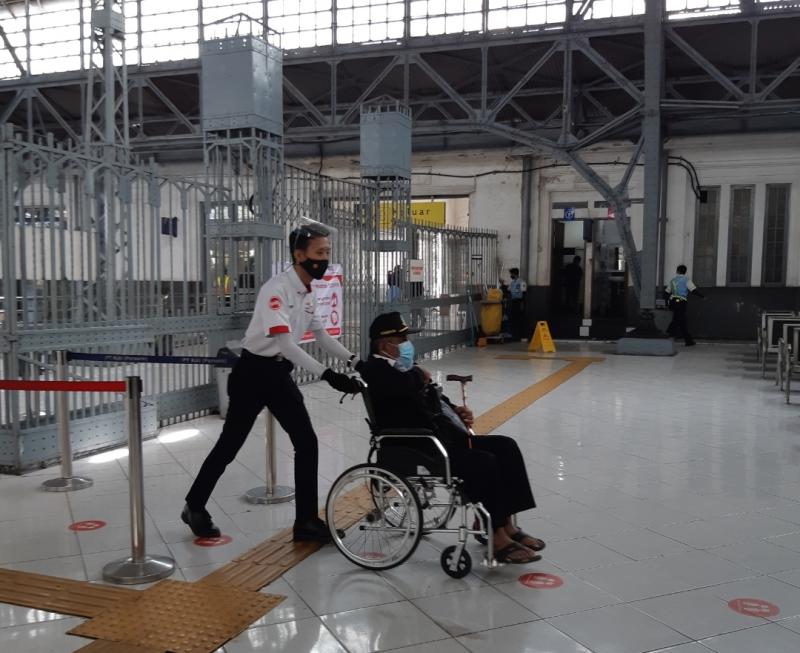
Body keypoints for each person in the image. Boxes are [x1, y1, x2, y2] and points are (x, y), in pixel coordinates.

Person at [183, 223, 363, 543]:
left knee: (306, 442)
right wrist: (328, 374)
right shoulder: (275, 290)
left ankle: (306, 522)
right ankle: (194, 506)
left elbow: (321, 334)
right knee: (229, 446)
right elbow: (285, 344)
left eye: (327, 254)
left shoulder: (308, 291)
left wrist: (355, 362)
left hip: (278, 375)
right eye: (319, 253)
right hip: (253, 374)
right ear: (299, 255)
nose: (324, 259)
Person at [358, 311, 545, 564]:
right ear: (384, 344)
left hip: (442, 437)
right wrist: (419, 374)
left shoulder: (403, 368)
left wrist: (456, 410)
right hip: (419, 446)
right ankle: (496, 537)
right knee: (483, 461)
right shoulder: (376, 369)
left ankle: (506, 524)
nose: (407, 345)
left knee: (506, 447)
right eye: (402, 339)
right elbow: (406, 386)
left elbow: (433, 397)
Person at [665, 264, 704, 347]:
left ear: (677, 271)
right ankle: (671, 334)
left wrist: (666, 303)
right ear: (685, 272)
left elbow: (666, 292)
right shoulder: (686, 280)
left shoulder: (673, 280)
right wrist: (702, 296)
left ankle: (675, 336)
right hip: (681, 302)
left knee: (677, 319)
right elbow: (693, 290)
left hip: (673, 302)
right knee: (681, 320)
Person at [508, 267, 527, 340]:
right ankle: (514, 335)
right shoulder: (512, 282)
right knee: (513, 318)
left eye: (511, 274)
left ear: (514, 274)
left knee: (519, 318)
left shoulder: (522, 282)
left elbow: (524, 292)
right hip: (513, 302)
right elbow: (509, 290)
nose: (510, 275)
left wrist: (523, 303)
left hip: (519, 301)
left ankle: (519, 335)